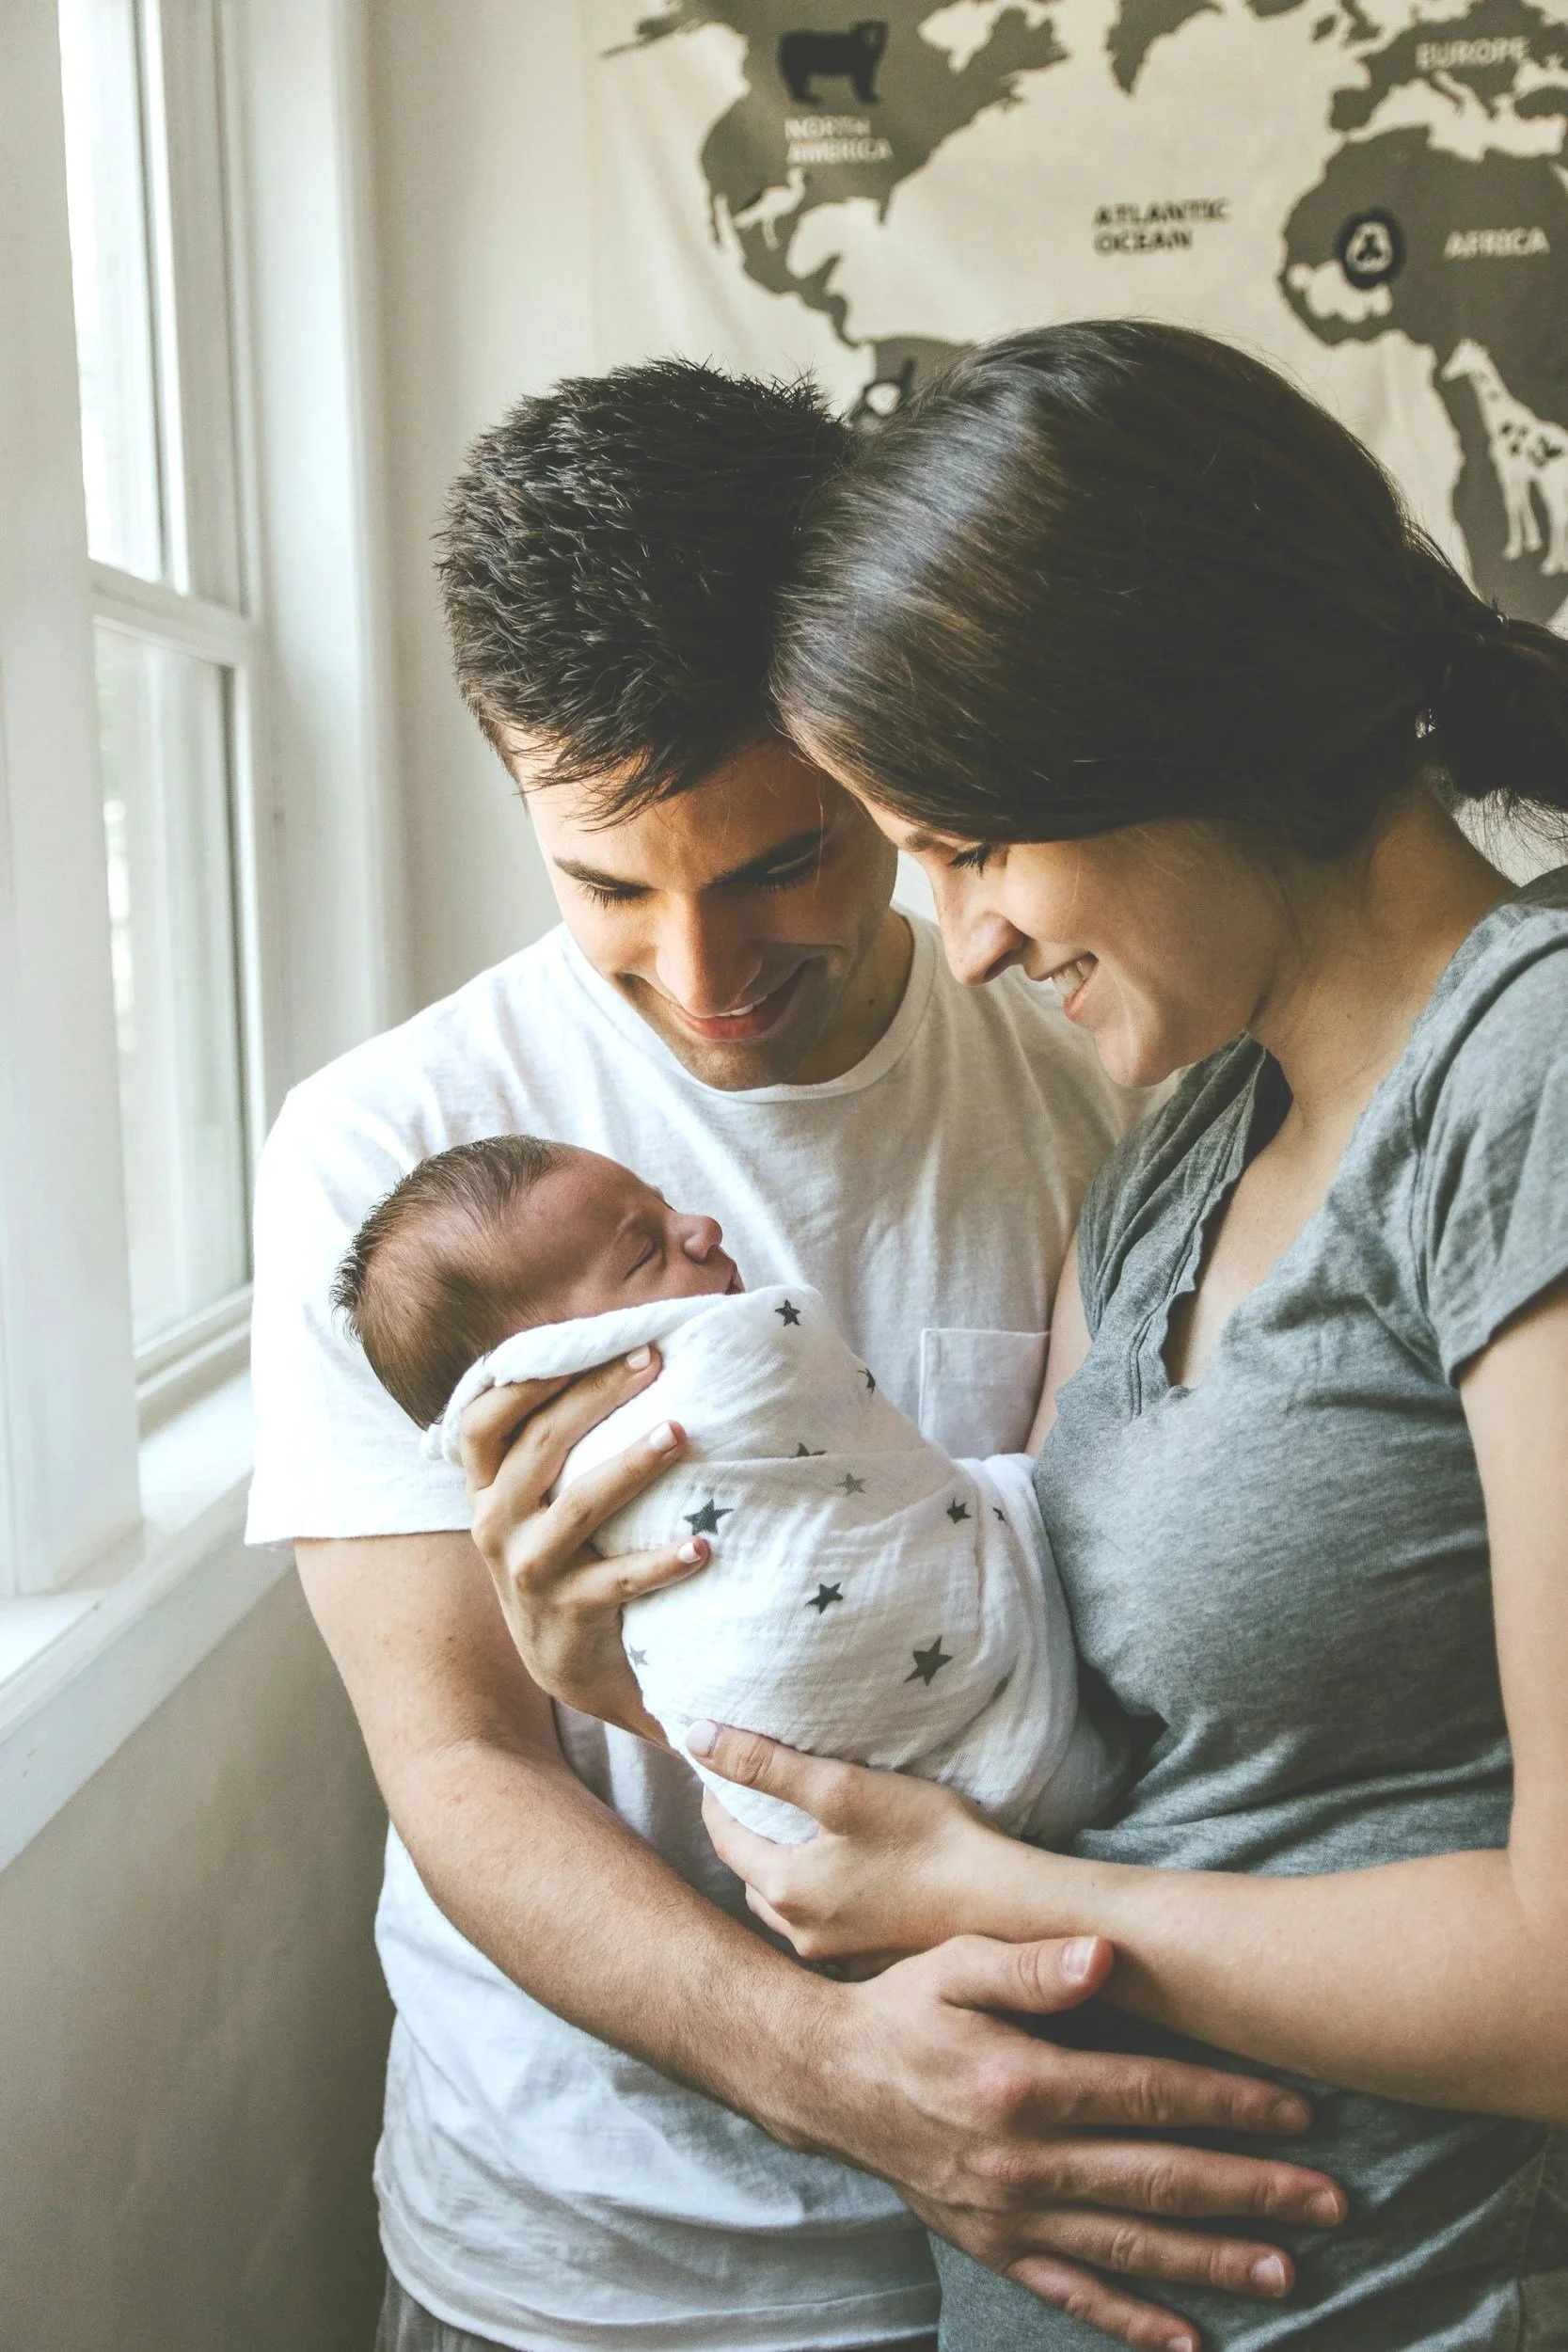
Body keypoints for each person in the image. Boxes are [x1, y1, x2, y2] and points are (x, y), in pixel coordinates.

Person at [245, 359, 1348, 2352]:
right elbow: (460, 1760)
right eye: (604, 883)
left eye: (777, 861)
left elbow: (1158, 1640)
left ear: (875, 747)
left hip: (1036, 2224)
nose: (700, 972)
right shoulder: (386, 1162)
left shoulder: (1104, 1068)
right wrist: (829, 2069)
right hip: (567, 2254)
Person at [612, 321, 1568, 2348]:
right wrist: (630, 1653)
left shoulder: (1527, 1070)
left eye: (969, 845)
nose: (960, 934)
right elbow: (1029, 1722)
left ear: (1169, 731)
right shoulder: (1176, 1145)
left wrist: (1024, 1908)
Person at [333, 1135, 1121, 1848]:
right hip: (684, 1933)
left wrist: (608, 1688)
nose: (701, 1226)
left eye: (665, 1204)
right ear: (559, 1360)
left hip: (842, 1834)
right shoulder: (365, 1136)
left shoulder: (1078, 1108)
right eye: (644, 1252)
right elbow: (456, 1762)